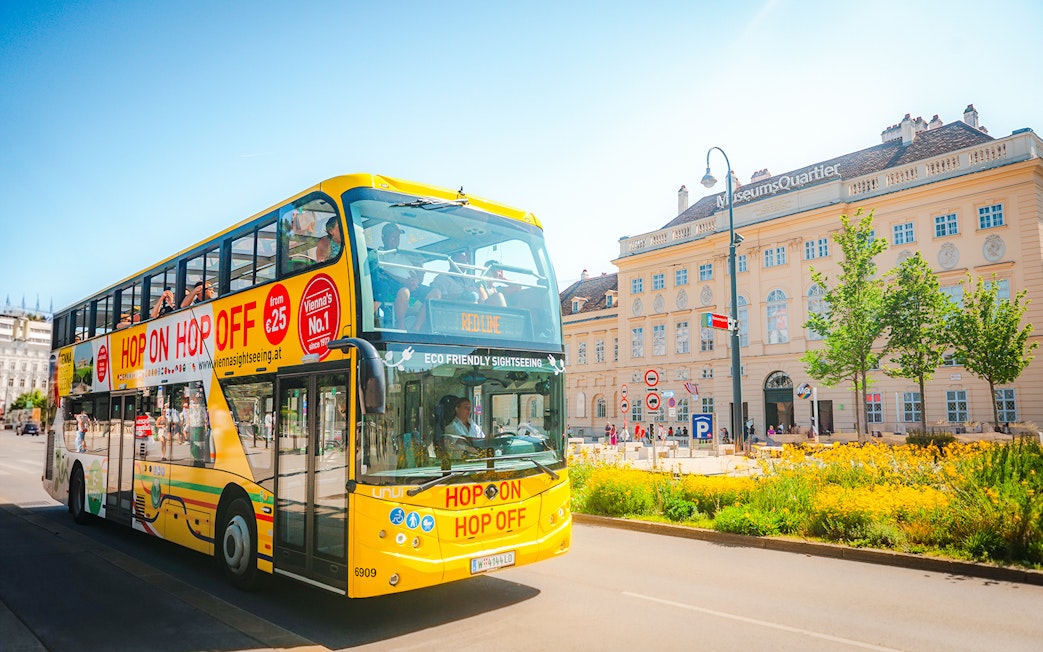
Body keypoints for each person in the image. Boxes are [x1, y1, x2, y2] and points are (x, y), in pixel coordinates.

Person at [372, 222, 432, 329]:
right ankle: (401, 326)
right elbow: (382, 273)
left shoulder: (404, 256)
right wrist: (404, 282)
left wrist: (416, 279)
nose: (396, 240)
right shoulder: (379, 255)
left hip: (410, 286)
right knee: (404, 291)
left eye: (398, 237)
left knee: (435, 293)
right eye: (392, 236)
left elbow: (416, 274)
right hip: (392, 287)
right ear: (383, 238)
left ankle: (416, 328)